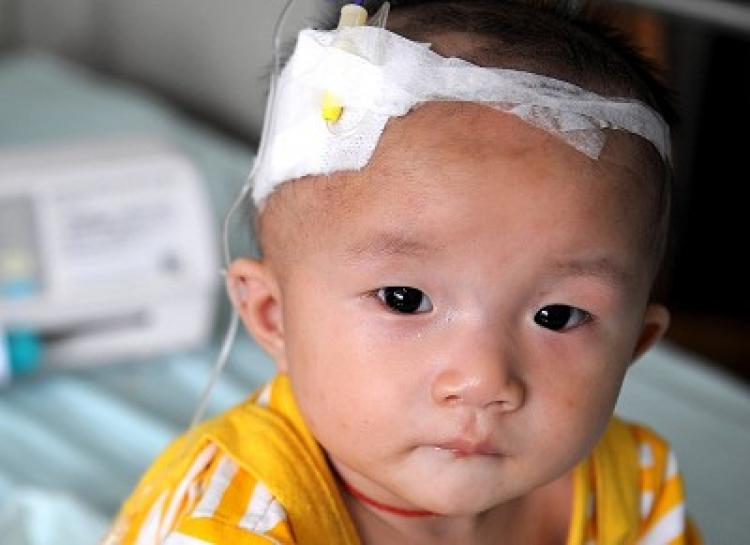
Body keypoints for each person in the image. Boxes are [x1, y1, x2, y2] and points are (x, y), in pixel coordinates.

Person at [105, 1, 702, 543]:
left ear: (636, 343)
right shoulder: (233, 520)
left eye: (558, 315)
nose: (482, 379)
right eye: (403, 298)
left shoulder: (633, 484)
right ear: (273, 317)